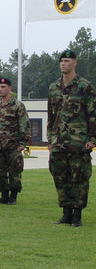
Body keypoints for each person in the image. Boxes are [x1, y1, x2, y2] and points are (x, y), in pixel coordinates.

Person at [48, 50, 96, 227]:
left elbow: (93, 114)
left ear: (75, 63)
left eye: (67, 61)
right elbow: (51, 116)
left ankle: (77, 215)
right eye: (61, 61)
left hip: (78, 141)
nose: (63, 64)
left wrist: (92, 138)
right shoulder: (53, 87)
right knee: (60, 178)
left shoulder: (85, 86)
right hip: (59, 142)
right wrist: (50, 138)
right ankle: (65, 212)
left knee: (79, 178)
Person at [0, 78, 31, 205]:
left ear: (10, 88)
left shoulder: (17, 105)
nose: (1, 89)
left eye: (3, 87)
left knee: (14, 172)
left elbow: (25, 125)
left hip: (12, 145)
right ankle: (3, 195)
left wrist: (22, 144)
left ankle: (13, 196)